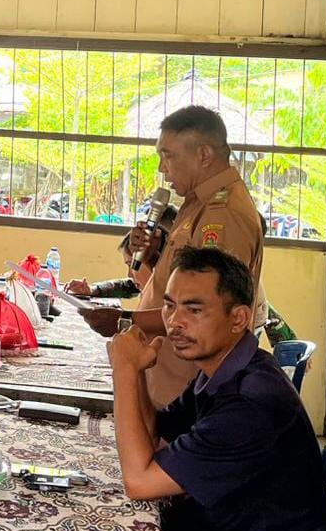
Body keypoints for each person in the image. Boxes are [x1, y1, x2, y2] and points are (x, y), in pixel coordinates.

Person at [107, 246, 326, 531]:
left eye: (194, 310)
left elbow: (139, 483)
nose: (175, 321)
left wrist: (123, 369)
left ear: (238, 318)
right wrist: (136, 373)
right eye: (170, 306)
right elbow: (157, 432)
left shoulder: (250, 405)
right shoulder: (226, 369)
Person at [80, 106, 265, 407]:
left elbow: (204, 310)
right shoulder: (196, 202)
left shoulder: (223, 214)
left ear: (204, 154)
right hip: (167, 371)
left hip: (186, 385)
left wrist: (125, 320)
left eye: (168, 156)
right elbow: (181, 284)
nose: (161, 169)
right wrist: (153, 256)